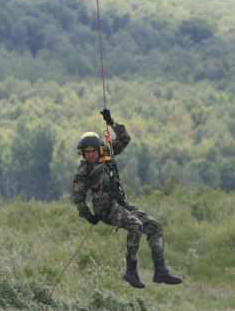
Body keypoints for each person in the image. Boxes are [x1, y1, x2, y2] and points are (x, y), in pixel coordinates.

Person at [71, 108, 183, 289]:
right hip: (106, 208)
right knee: (135, 225)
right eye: (86, 152)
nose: (90, 154)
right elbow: (78, 196)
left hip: (121, 203)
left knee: (155, 226)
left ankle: (160, 271)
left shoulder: (108, 153)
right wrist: (87, 215)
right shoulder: (84, 170)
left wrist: (111, 122)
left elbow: (124, 139)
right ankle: (131, 270)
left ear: (99, 149)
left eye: (92, 151)